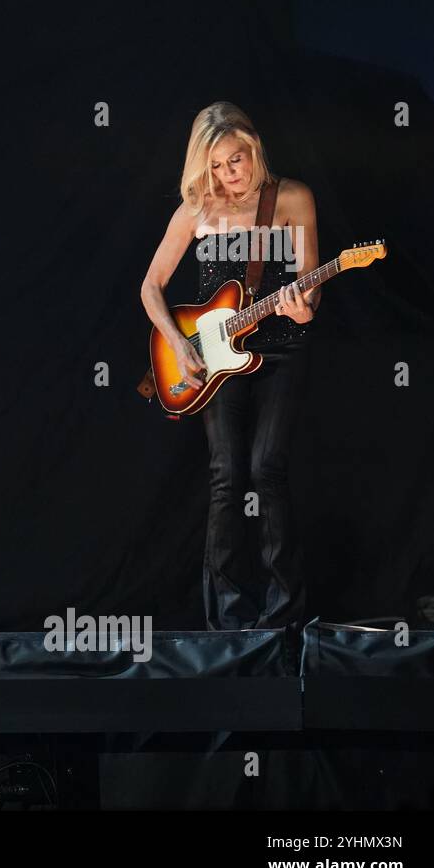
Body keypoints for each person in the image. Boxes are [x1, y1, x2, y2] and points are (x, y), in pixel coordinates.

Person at [140, 102, 320, 630]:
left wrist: (304, 306)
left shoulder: (291, 197)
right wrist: (180, 342)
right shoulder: (196, 210)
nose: (228, 175)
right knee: (226, 475)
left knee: (268, 468)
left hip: (282, 347)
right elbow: (151, 286)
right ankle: (227, 617)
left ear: (255, 149)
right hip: (214, 356)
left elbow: (310, 283)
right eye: (216, 166)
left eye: (235, 161)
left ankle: (284, 614)